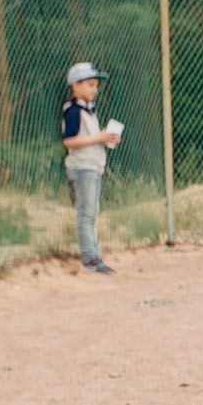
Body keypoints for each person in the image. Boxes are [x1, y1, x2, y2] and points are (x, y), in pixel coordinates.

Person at [59, 61, 120, 274]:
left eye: (95, 85)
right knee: (85, 214)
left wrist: (105, 139)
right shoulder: (73, 110)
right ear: (75, 86)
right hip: (82, 166)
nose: (94, 89)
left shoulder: (89, 110)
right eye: (89, 85)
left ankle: (94, 255)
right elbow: (69, 141)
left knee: (91, 213)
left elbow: (89, 138)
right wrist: (98, 137)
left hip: (93, 166)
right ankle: (90, 259)